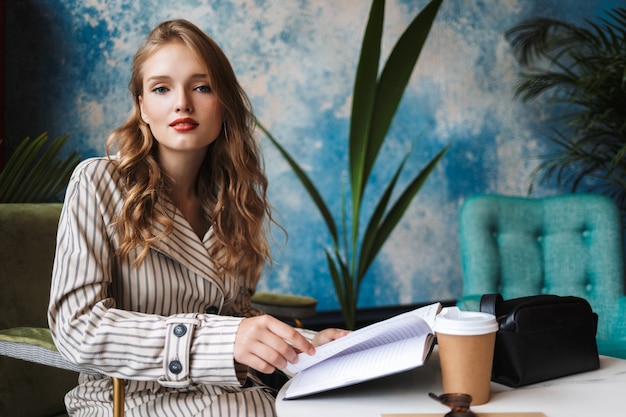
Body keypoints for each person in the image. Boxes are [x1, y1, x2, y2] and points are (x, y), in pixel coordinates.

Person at [48, 19, 346, 417]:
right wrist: (219, 343)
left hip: (233, 398)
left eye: (201, 87)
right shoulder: (98, 182)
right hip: (128, 403)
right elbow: (77, 327)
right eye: (161, 88)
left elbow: (235, 318)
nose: (182, 103)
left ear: (222, 101)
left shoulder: (235, 199)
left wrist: (309, 345)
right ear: (142, 107)